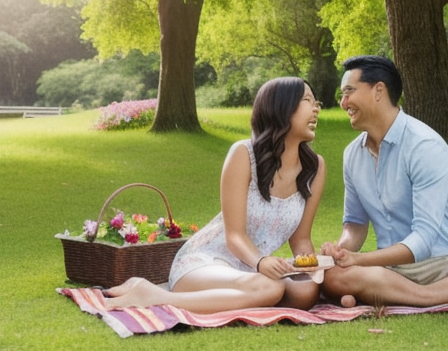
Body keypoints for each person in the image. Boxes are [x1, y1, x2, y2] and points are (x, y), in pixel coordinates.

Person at [321, 55, 448, 308]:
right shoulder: (352, 154)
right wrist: (341, 252)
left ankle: (423, 297)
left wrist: (360, 261)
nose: (343, 103)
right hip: (388, 271)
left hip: (443, 266)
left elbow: (423, 239)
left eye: (349, 92)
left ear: (378, 90)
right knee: (330, 276)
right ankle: (424, 295)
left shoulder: (424, 146)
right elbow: (354, 225)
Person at [105, 77, 326, 313]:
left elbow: (301, 240)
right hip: (206, 261)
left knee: (305, 293)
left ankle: (221, 298)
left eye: (316, 103)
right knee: (270, 289)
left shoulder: (315, 167)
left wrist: (312, 268)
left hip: (251, 272)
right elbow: (234, 236)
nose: (315, 109)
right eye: (307, 100)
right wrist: (261, 262)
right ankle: (151, 295)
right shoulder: (243, 154)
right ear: (281, 107)